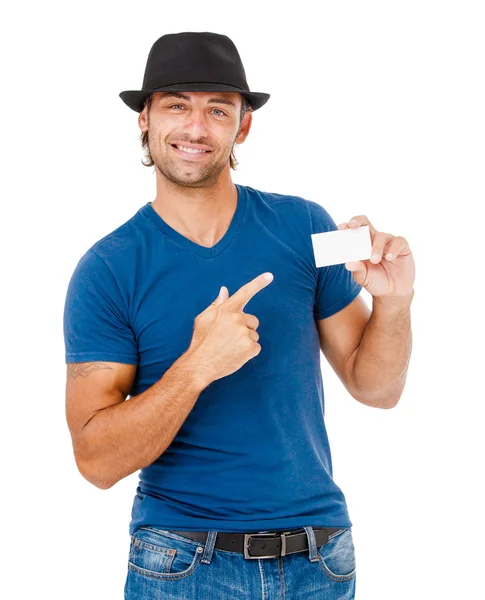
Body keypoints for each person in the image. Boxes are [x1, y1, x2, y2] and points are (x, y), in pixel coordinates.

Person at [63, 31, 415, 600]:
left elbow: (377, 389)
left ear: (242, 126)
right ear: (144, 119)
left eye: (217, 110)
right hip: (182, 562)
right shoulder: (108, 269)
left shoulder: (308, 227)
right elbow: (96, 461)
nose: (195, 128)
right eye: (176, 105)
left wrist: (394, 303)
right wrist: (197, 366)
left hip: (320, 559)